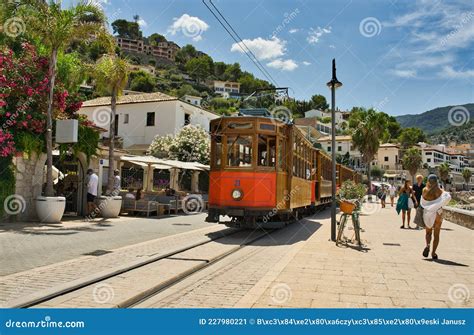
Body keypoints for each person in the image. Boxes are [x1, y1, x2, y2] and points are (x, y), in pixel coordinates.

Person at [421, 175, 451, 260]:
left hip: (428, 213)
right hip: (438, 213)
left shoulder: (425, 190)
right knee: (436, 234)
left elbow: (423, 201)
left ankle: (427, 245)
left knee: (428, 232)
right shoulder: (440, 191)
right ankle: (433, 253)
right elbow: (445, 199)